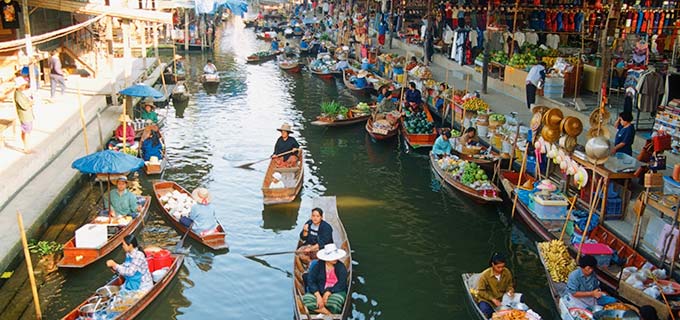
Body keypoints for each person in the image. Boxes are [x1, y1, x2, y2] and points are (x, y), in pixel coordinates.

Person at [302, 243, 348, 315]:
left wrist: (328, 292)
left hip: (335, 291)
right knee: (306, 300)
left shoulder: (341, 267)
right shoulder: (318, 266)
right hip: (319, 291)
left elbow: (341, 284)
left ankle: (318, 310)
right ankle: (327, 312)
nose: (335, 259)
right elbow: (311, 281)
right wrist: (318, 296)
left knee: (335, 303)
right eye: (332, 257)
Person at [475, 253, 515, 318]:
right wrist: (493, 299)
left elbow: (509, 284)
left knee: (520, 300)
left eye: (502, 267)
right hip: (488, 300)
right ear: (493, 264)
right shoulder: (485, 275)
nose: (501, 269)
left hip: (502, 298)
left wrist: (510, 290)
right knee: (485, 310)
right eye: (498, 267)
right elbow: (481, 291)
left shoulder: (507, 272)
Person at [13, 73, 33, 154]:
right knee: (26, 132)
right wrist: (30, 103)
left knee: (26, 131)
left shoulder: (21, 93)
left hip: (27, 115)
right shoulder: (18, 95)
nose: (25, 86)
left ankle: (27, 146)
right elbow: (24, 106)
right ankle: (26, 148)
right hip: (25, 116)